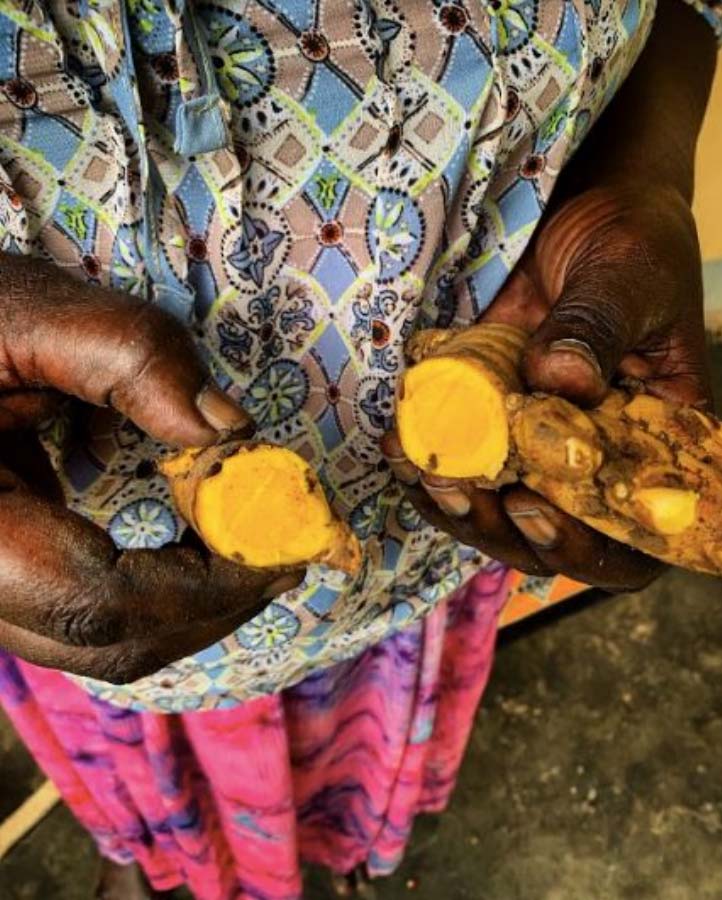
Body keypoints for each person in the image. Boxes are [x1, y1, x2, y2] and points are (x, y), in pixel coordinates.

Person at [0, 0, 718, 896]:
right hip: (97, 576)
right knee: (160, 773)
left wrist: (644, 171)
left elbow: (688, 12)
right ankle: (170, 857)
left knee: (368, 741)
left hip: (433, 560)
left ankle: (333, 852)